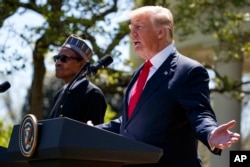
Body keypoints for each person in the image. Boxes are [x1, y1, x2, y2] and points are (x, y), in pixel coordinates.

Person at [96, 6, 240, 167]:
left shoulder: (188, 70)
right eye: (131, 28)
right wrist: (93, 131)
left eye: (139, 27)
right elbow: (131, 121)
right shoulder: (139, 73)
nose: (132, 33)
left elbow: (199, 112)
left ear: (161, 32)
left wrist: (210, 133)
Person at [48, 34, 107, 125]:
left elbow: (93, 136)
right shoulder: (59, 95)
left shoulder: (93, 94)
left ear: (82, 64)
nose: (58, 63)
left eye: (64, 58)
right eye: (57, 58)